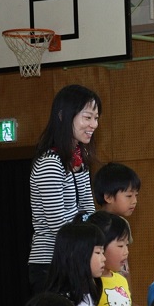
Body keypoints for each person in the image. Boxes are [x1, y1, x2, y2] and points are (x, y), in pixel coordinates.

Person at [28, 85, 102, 293]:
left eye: (96, 118)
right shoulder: (50, 163)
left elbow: (89, 210)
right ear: (62, 116)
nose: (94, 124)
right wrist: (84, 219)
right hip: (50, 264)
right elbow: (58, 224)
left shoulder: (80, 160)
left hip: (76, 260)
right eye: (87, 117)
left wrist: (87, 220)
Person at [93, 161, 146, 306]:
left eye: (136, 195)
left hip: (120, 292)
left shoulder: (123, 223)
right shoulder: (95, 225)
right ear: (108, 197)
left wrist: (129, 299)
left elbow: (125, 267)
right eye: (129, 196)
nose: (134, 201)